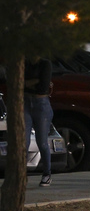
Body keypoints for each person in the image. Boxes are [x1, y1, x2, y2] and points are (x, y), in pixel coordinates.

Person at [24, 57, 54, 187]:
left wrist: (28, 83)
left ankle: (47, 173)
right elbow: (19, 84)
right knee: (24, 142)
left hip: (41, 104)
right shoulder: (25, 63)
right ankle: (21, 174)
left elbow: (43, 86)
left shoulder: (45, 64)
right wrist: (35, 81)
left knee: (42, 142)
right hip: (26, 102)